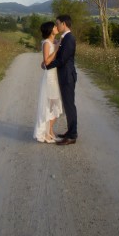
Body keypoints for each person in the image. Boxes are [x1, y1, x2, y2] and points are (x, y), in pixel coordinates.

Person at [46, 14, 77, 145]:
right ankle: (69, 132)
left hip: (67, 76)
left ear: (64, 24)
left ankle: (72, 135)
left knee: (69, 106)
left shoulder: (69, 38)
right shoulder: (64, 38)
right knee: (67, 105)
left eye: (58, 23)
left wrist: (47, 65)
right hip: (64, 75)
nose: (56, 26)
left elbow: (63, 59)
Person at [33, 21, 63, 143]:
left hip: (56, 75)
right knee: (52, 104)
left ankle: (49, 130)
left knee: (55, 106)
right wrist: (56, 49)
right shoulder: (46, 43)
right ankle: (47, 132)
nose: (57, 27)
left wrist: (57, 44)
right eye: (55, 27)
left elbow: (43, 63)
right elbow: (46, 62)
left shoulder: (53, 41)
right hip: (50, 77)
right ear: (51, 30)